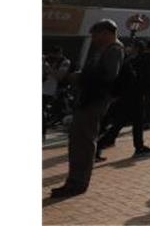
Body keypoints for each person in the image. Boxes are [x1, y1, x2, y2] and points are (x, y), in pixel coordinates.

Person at [50, 20, 125, 199]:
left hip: (94, 100)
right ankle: (74, 180)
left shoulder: (114, 50)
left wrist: (81, 77)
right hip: (88, 99)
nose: (94, 38)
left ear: (107, 32)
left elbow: (108, 75)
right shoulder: (106, 49)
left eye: (96, 34)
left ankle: (78, 182)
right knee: (78, 140)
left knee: (83, 141)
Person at [98, 38, 150, 158]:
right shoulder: (145, 59)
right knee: (125, 122)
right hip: (135, 95)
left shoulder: (133, 59)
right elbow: (146, 77)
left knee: (130, 122)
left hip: (129, 95)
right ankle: (99, 144)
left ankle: (138, 147)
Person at [43, 46, 71, 139]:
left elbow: (60, 77)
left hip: (51, 92)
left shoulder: (64, 62)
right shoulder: (44, 59)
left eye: (55, 56)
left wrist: (48, 68)